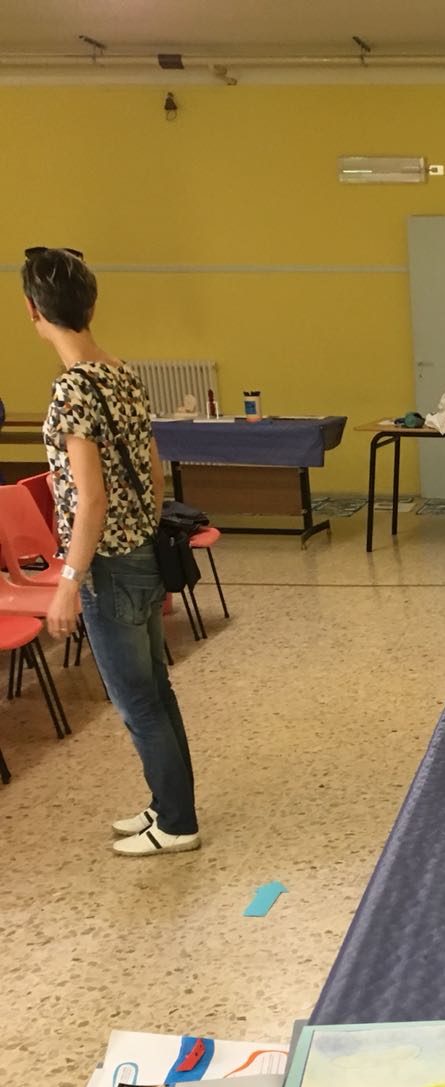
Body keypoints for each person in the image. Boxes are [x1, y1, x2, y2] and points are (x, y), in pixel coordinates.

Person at [21, 246, 200, 855]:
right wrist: (142, 532)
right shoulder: (121, 373)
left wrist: (68, 580)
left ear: (33, 311)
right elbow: (153, 470)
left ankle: (177, 824)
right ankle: (168, 805)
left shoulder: (71, 391)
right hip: (140, 554)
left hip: (108, 568)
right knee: (156, 691)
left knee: (137, 702)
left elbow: (90, 500)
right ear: (91, 306)